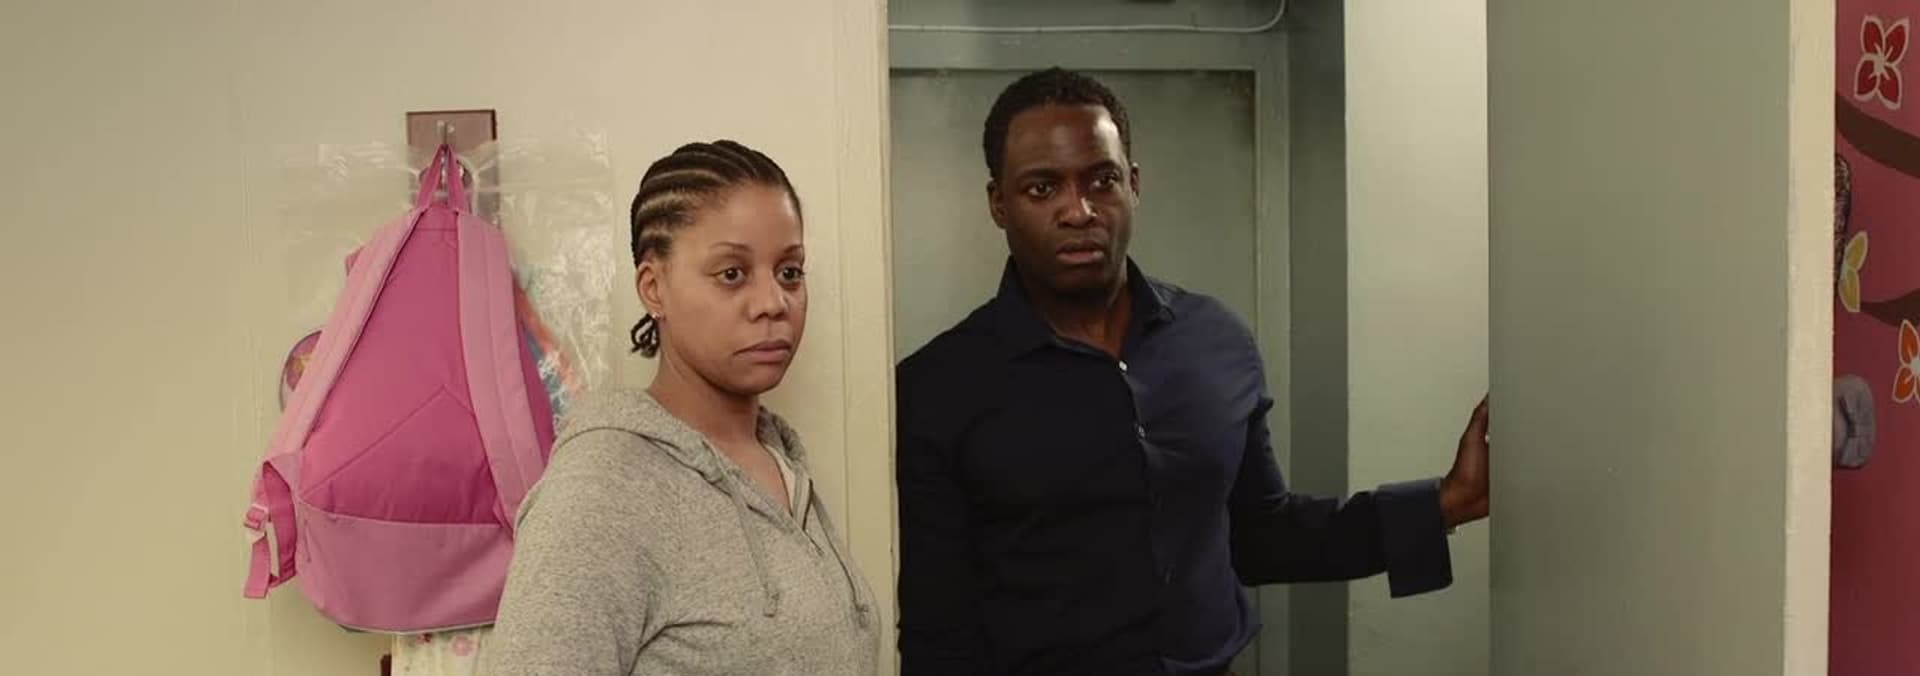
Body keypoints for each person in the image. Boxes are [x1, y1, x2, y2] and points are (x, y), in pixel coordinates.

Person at [894, 68, 1492, 676]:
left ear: (1133, 184)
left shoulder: (1214, 341)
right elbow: (936, 628)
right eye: (1042, 188)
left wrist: (1446, 503)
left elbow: (1261, 536)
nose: (1079, 210)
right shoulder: (937, 387)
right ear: (999, 203)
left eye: (1101, 180)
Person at [481, 140, 878, 676]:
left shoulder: (779, 460)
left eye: (789, 272)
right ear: (655, 289)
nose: (773, 303)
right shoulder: (600, 491)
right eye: (732, 274)